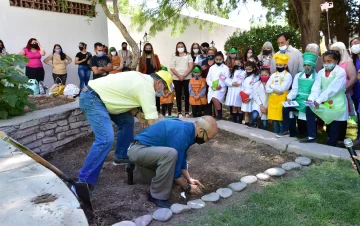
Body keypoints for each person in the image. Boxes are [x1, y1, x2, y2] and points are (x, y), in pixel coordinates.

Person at [75, 70, 173, 192]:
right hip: (93, 98)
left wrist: (138, 114)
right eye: (164, 88)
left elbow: (125, 98)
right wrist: (164, 145)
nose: (163, 92)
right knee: (105, 139)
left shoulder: (142, 78)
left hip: (102, 98)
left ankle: (121, 155)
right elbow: (153, 123)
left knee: (127, 121)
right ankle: (83, 180)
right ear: (158, 82)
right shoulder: (147, 88)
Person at [127, 116, 218, 208]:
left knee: (168, 176)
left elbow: (181, 157)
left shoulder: (188, 131)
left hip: (146, 151)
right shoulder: (181, 133)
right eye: (208, 138)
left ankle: (134, 168)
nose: (207, 141)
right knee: (170, 155)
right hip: (137, 150)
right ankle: (156, 196)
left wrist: (188, 179)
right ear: (201, 131)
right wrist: (187, 187)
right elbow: (175, 170)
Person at [301, 50, 347, 147]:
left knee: (334, 124)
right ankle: (312, 136)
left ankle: (331, 145)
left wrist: (318, 100)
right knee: (309, 110)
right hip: (324, 100)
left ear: (336, 61)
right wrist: (312, 98)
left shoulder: (340, 72)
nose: (326, 63)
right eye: (324, 61)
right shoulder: (321, 72)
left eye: (329, 61)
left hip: (336, 102)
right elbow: (317, 87)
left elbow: (333, 89)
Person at [277, 52, 318, 138]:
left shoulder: (317, 77)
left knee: (309, 111)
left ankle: (311, 135)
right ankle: (286, 130)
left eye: (309, 65)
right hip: (298, 100)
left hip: (309, 101)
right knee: (286, 107)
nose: (307, 67)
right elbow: (294, 89)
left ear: (313, 66)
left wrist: (310, 99)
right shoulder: (298, 75)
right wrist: (289, 98)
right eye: (305, 65)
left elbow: (315, 91)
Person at [330, 42, 358, 142]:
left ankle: (340, 138)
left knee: (342, 116)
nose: (334, 53)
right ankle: (331, 136)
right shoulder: (332, 62)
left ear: (342, 51)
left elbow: (353, 78)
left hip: (344, 94)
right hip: (332, 95)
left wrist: (343, 89)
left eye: (336, 51)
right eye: (332, 51)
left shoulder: (348, 62)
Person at [266, 53, 292, 136]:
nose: (278, 66)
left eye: (280, 65)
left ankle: (282, 134)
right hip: (273, 100)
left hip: (282, 100)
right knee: (275, 120)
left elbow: (282, 89)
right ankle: (275, 135)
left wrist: (271, 86)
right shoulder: (273, 75)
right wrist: (274, 89)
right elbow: (266, 88)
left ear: (285, 65)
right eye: (277, 65)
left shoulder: (288, 75)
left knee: (281, 120)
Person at [170, 42, 194, 118]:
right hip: (176, 78)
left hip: (187, 77)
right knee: (178, 95)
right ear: (176, 48)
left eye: (182, 46)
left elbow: (190, 66)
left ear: (184, 47)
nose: (180, 47)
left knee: (187, 94)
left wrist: (184, 75)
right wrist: (179, 76)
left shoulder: (188, 55)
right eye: (178, 46)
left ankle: (187, 111)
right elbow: (172, 67)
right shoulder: (174, 55)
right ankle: (179, 112)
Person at [138, 43, 162, 115]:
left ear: (151, 49)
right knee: (145, 94)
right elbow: (140, 69)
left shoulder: (155, 57)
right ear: (144, 49)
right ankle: (144, 111)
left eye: (149, 48)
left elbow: (159, 67)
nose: (148, 49)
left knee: (156, 95)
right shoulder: (141, 58)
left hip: (155, 77)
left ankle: (157, 110)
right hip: (145, 78)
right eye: (147, 48)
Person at [206, 51, 230, 120]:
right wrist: (212, 85)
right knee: (215, 101)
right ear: (214, 59)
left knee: (215, 98)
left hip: (221, 88)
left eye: (220, 59)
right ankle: (217, 116)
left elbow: (227, 79)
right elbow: (208, 78)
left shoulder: (225, 68)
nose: (218, 61)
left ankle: (219, 114)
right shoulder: (212, 68)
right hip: (213, 87)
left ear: (222, 59)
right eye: (217, 59)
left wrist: (221, 86)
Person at [225, 58, 245, 123]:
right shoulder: (232, 72)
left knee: (239, 106)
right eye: (235, 64)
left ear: (241, 64)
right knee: (234, 106)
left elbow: (240, 81)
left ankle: (239, 121)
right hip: (232, 91)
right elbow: (227, 80)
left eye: (238, 64)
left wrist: (235, 83)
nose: (237, 65)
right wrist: (231, 83)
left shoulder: (243, 72)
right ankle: (234, 121)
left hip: (238, 91)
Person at [241, 61, 260, 125]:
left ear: (254, 69)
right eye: (247, 69)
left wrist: (250, 97)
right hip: (245, 96)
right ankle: (246, 124)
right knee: (246, 112)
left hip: (252, 96)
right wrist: (242, 94)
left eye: (250, 69)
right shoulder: (245, 76)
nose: (248, 71)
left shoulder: (256, 77)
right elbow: (242, 86)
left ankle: (254, 124)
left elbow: (255, 88)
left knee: (253, 112)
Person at [350, 37, 360, 145]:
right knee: (358, 113)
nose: (355, 45)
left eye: (356, 43)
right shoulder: (353, 59)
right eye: (352, 44)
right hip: (356, 89)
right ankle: (359, 136)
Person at [201, 47, 217, 116]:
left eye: (212, 53)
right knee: (207, 99)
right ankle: (208, 115)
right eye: (209, 53)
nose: (210, 54)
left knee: (215, 99)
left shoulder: (217, 61)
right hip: (205, 82)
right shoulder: (204, 61)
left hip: (215, 83)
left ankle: (217, 115)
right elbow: (199, 73)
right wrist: (201, 69)